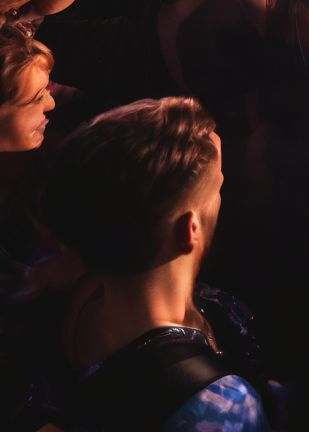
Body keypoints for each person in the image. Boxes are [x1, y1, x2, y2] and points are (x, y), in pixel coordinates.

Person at [35, 97, 272, 431]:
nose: (221, 193)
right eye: (217, 185)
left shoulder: (82, 296)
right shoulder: (221, 408)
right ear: (188, 229)